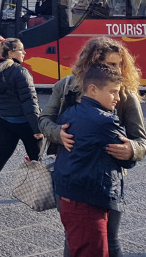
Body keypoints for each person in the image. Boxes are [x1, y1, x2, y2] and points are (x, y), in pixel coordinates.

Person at [40, 37, 146, 257]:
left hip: (107, 178)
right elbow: (44, 120)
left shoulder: (124, 94)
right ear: (92, 64)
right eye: (111, 64)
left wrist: (132, 150)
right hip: (71, 174)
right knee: (74, 236)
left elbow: (141, 140)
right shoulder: (66, 86)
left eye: (120, 64)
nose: (118, 69)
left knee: (110, 238)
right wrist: (58, 133)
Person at [52, 64, 135, 257]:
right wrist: (130, 152)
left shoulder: (70, 112)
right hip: (89, 200)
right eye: (113, 92)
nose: (118, 98)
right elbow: (127, 160)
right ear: (93, 89)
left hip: (68, 195)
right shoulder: (106, 121)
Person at [0, 36, 41, 202]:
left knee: (3, 153)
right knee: (37, 157)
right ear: (11, 53)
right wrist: (37, 128)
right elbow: (29, 101)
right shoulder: (21, 72)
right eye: (20, 50)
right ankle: (38, 191)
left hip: (3, 119)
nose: (24, 52)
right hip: (23, 122)